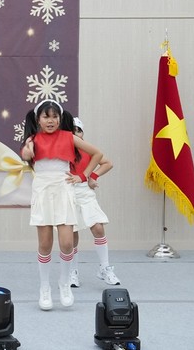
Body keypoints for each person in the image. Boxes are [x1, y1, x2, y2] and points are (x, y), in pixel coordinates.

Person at [20, 100, 102, 311]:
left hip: (64, 190)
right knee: (45, 244)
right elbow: (26, 155)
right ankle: (44, 287)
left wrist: (83, 176)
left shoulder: (69, 137)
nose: (51, 121)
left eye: (55, 116)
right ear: (38, 119)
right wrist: (28, 149)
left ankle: (64, 283)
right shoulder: (32, 139)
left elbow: (97, 154)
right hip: (43, 191)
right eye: (46, 117)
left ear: (60, 118)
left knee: (67, 243)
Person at [68, 117, 120, 287]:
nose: (76, 133)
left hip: (85, 191)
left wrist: (93, 176)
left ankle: (104, 268)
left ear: (82, 133)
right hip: (67, 192)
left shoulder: (88, 149)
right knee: (71, 234)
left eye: (78, 130)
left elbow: (108, 163)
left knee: (98, 227)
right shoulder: (62, 149)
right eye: (72, 130)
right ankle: (72, 272)